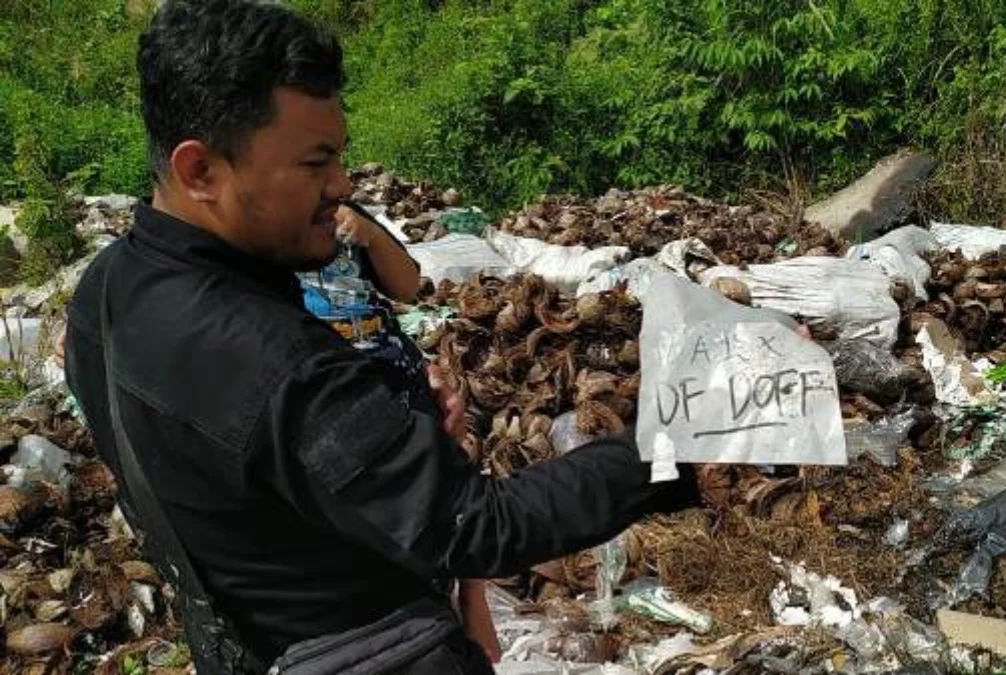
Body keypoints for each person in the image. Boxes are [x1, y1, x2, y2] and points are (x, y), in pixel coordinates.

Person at [62, 1, 697, 673]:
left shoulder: (105, 291)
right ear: (202, 172)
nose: (342, 185)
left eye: (339, 155)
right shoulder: (276, 361)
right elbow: (476, 525)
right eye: (315, 163)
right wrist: (672, 450)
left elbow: (241, 475)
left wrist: (385, 415)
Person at [303, 204, 502, 662]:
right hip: (331, 391)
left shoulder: (344, 216)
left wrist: (370, 234)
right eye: (316, 161)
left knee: (450, 478)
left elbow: (409, 286)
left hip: (394, 370)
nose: (338, 182)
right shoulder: (262, 235)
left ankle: (470, 596)